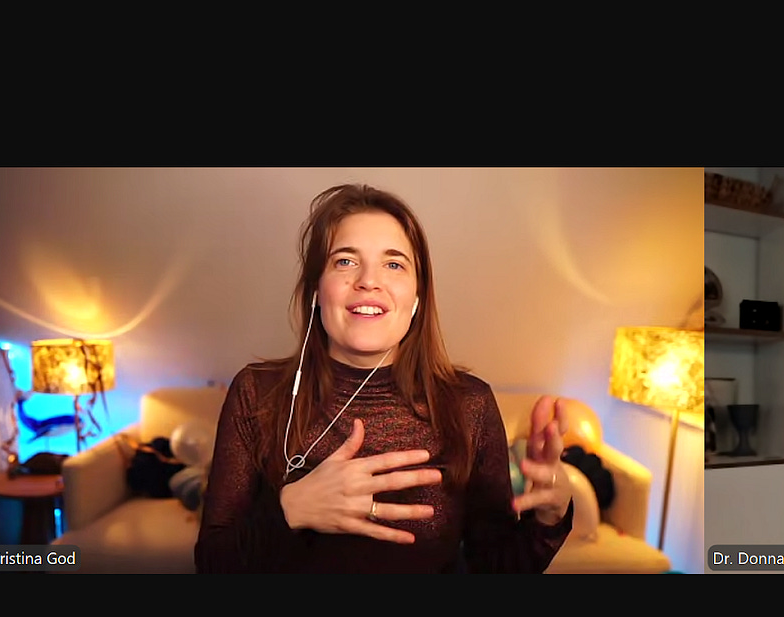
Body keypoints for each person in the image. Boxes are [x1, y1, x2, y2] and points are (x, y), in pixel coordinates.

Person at [195, 184, 575, 573]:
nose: (368, 281)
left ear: (417, 299)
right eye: (344, 261)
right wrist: (290, 510)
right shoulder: (257, 393)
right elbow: (212, 563)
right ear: (315, 290)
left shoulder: (469, 404)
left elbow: (495, 566)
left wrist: (550, 517)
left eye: (393, 264)